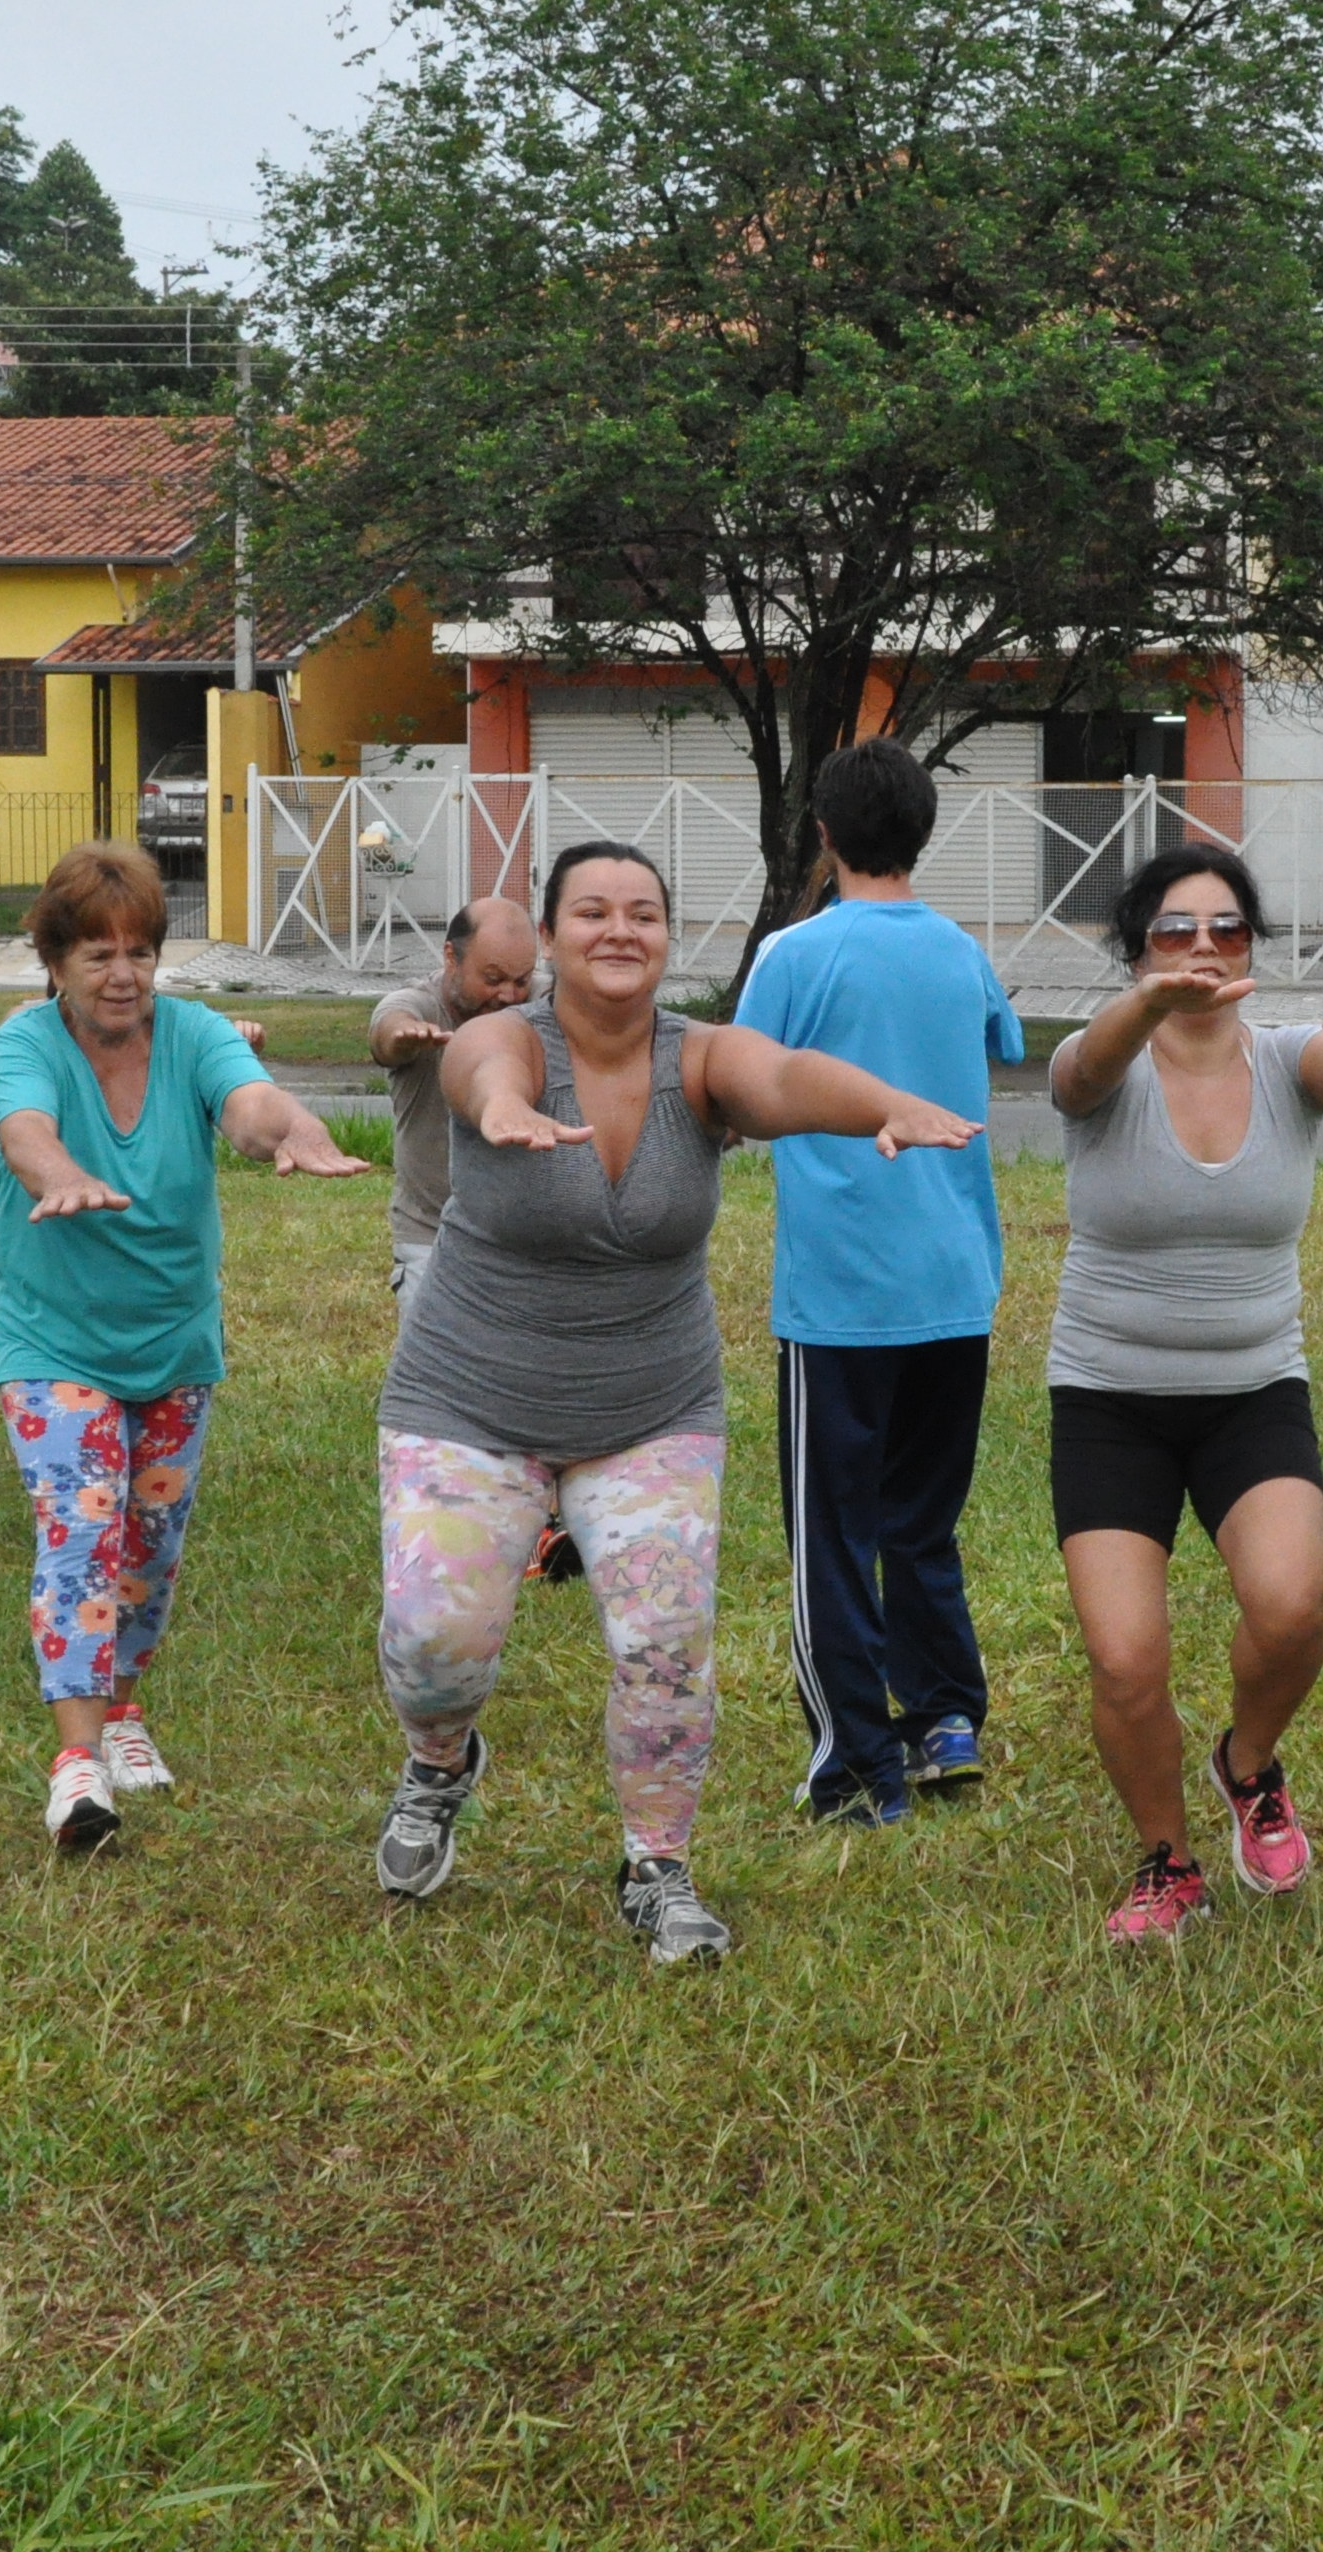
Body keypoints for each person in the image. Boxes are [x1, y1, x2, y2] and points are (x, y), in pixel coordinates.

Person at [369, 839, 975, 1965]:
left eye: (643, 913)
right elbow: (479, 1073)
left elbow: (785, 1079)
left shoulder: (698, 1059)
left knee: (664, 1644)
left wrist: (884, 1104)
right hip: (468, 1394)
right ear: (550, 938)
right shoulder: (509, 1040)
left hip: (651, 1406)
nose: (619, 930)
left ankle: (657, 1866)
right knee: (434, 1643)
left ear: (667, 936)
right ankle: (439, 1763)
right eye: (591, 911)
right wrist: (502, 1110)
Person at [1047, 843, 1323, 1942]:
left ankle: (1247, 1764)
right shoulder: (1101, 1060)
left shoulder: (1285, 1062)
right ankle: (1167, 1863)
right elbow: (1079, 1075)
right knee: (1126, 1660)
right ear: (1136, 951)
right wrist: (1148, 1006)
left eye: (1225, 928)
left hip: (1253, 1387)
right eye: (1175, 930)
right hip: (1109, 1395)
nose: (1203, 948)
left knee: (1292, 1608)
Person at [0, 842, 368, 1852]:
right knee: (82, 1528)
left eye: (140, 953)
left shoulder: (194, 1034)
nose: (123, 975)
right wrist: (61, 1175)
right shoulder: (25, 1041)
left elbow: (248, 1106)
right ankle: (76, 1767)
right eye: (98, 955)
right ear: (54, 962)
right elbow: (24, 1132)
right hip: (52, 1340)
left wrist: (292, 1129)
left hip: (172, 1339)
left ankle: (123, 1707)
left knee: (150, 1549)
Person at [733, 740, 1026, 1826]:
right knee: (920, 1521)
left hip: (842, 1295)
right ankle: (945, 1716)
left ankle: (858, 1767)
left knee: (832, 1538)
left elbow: (738, 1082)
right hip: (955, 1280)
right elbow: (1001, 1042)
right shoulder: (960, 950)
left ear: (823, 835)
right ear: (923, 834)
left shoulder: (793, 953)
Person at [369, 896, 540, 1298]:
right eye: (493, 979)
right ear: (451, 957)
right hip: (431, 1235)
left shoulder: (545, 1002)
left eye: (521, 980)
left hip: (526, 1239)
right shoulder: (421, 1005)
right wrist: (403, 1036)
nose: (509, 995)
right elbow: (387, 1027)